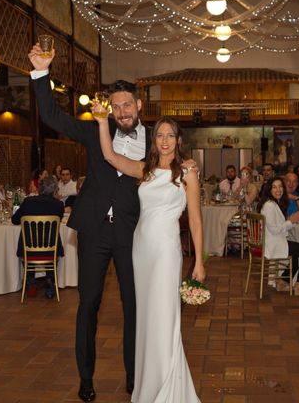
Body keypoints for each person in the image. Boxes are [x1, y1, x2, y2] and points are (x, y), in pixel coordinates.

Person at [29, 43, 153, 401]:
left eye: (127, 104)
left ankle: (134, 379)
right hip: (94, 231)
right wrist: (41, 73)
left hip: (133, 232)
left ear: (139, 105)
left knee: (134, 306)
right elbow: (52, 116)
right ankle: (86, 379)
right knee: (88, 305)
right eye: (116, 106)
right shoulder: (94, 130)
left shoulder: (157, 137)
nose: (122, 111)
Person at [92, 100, 205, 403]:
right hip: (140, 249)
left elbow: (194, 219)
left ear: (178, 140)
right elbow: (110, 156)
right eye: (160, 135)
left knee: (164, 316)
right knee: (145, 317)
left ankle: (169, 386)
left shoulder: (188, 173)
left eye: (170, 135)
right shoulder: (146, 169)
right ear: (153, 140)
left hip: (167, 251)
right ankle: (149, 385)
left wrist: (199, 262)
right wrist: (103, 120)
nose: (165, 141)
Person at [12, 175, 65, 299]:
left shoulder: (28, 202)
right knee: (51, 243)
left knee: (30, 244)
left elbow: (15, 220)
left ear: (40, 189)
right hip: (51, 249)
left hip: (28, 248)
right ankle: (50, 281)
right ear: (55, 190)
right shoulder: (58, 205)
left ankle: (30, 281)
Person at [260, 177, 299, 296]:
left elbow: (275, 226)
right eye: (274, 187)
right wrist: (292, 221)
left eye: (280, 187)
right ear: (269, 190)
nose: (278, 190)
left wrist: (289, 220)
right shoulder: (269, 205)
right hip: (274, 244)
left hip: (273, 242)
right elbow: (274, 230)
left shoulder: (272, 203)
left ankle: (283, 281)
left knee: (294, 251)